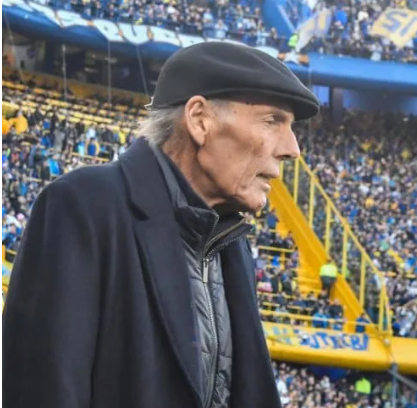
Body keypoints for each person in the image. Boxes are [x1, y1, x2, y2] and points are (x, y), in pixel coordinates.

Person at [3, 42, 319, 408]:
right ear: (199, 120)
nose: (292, 148)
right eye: (273, 121)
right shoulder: (82, 207)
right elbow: (44, 390)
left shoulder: (232, 243)